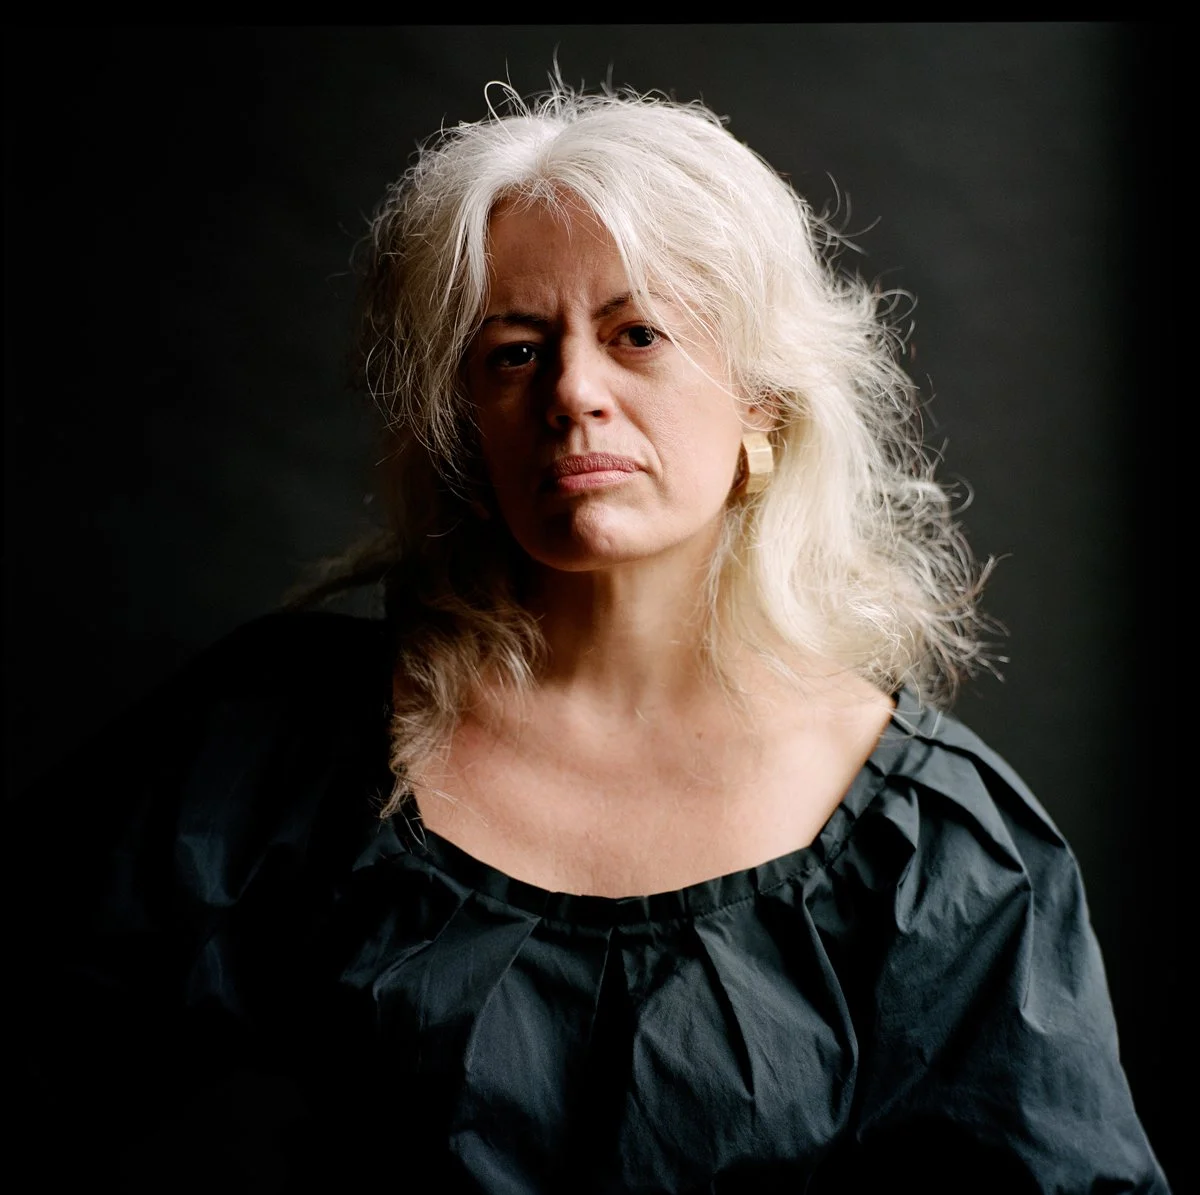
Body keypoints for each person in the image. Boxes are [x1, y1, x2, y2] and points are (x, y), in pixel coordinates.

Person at [11, 80, 1169, 1193]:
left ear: (761, 404)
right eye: (514, 351)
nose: (572, 390)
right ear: (467, 432)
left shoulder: (934, 849)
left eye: (639, 335)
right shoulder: (277, 747)